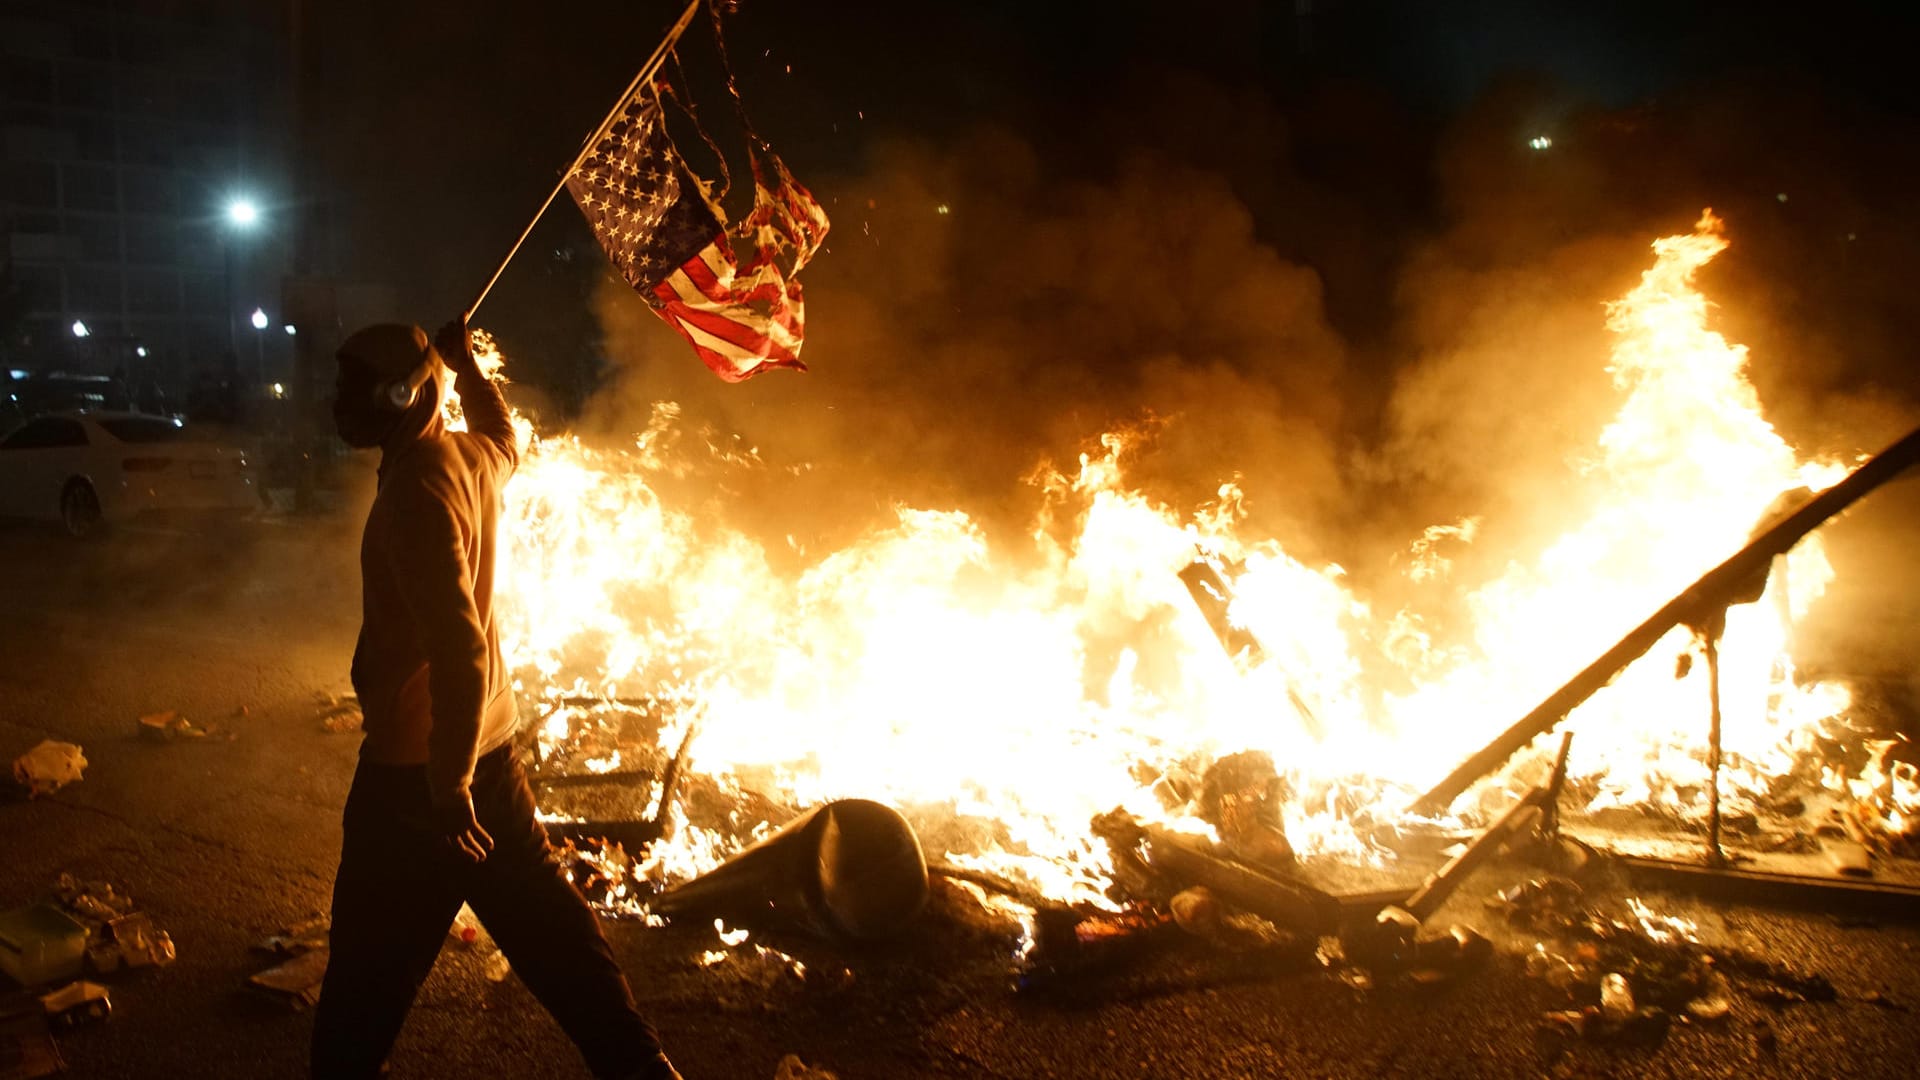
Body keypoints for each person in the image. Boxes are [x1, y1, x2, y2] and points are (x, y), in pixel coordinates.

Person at [313, 319, 681, 1080]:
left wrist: (445, 789)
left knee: (366, 972)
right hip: (488, 751)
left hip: (418, 777)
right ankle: (642, 1068)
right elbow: (504, 434)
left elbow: (459, 646)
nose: (338, 402)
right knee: (552, 935)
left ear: (400, 392)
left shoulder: (416, 491)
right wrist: (469, 369)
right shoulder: (468, 457)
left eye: (353, 388)